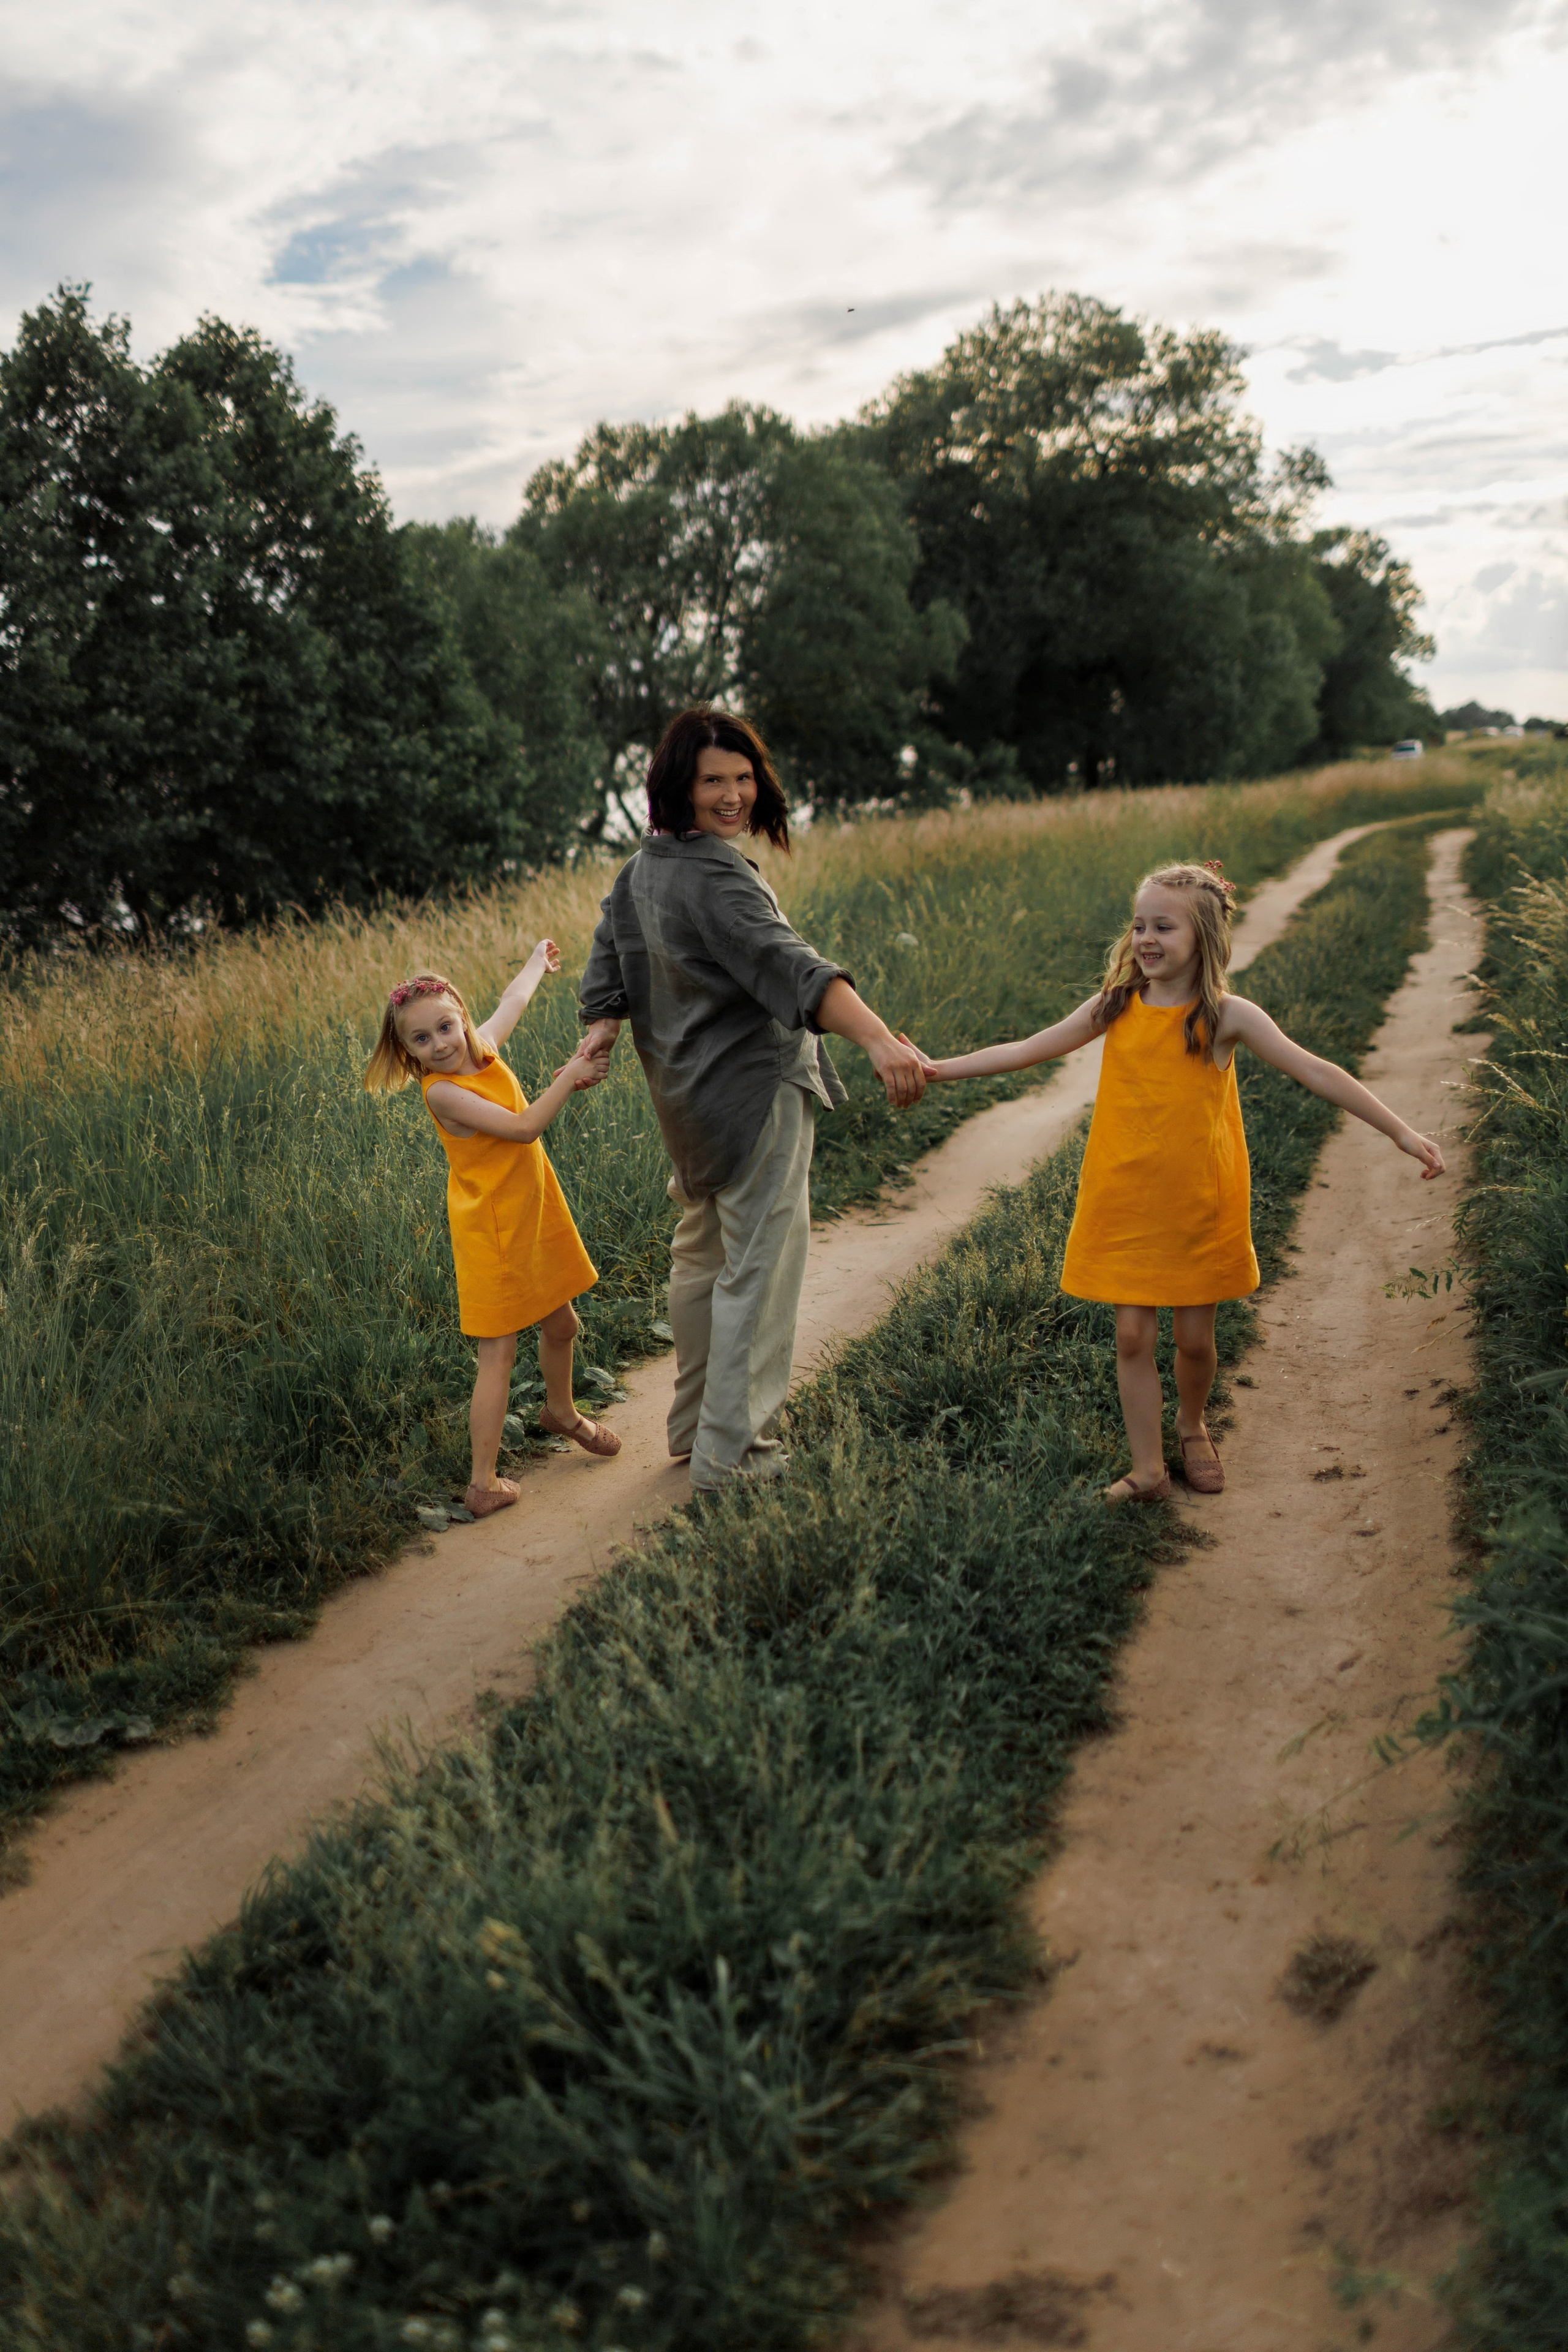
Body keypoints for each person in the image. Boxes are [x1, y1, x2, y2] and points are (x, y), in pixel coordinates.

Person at [915, 860, 1445, 1504]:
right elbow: (1028, 1049)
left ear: (1203, 938)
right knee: (1132, 1334)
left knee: (1195, 1342)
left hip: (1199, 1205)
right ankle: (1148, 1471)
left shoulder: (1227, 1016)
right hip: (1124, 1197)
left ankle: (1191, 1425)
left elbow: (1316, 1072)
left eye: (1163, 926)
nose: (1145, 938)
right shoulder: (1114, 1005)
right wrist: (938, 1069)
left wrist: (1398, 1131)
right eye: (1139, 925)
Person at [578, 707, 929, 1493]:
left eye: (742, 777)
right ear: (679, 786)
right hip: (750, 1095)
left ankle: (695, 1426)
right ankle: (734, 1455)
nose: (733, 795)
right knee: (757, 1272)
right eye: (713, 781)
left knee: (702, 1262)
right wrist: (876, 1039)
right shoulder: (714, 876)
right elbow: (793, 967)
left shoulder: (642, 869)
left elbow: (606, 966)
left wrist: (600, 1032)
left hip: (683, 1102)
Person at [364, 945, 620, 1520]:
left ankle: (561, 1412)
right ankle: (482, 1483)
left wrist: (535, 963)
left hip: (531, 1211)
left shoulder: (480, 1049)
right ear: (408, 1053)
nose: (441, 1045)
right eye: (421, 1041)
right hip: (494, 1228)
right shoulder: (443, 1091)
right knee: (498, 1353)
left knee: (563, 1323)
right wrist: (573, 1076)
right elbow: (525, 1127)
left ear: (460, 1013)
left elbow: (514, 1000)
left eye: (446, 1027)